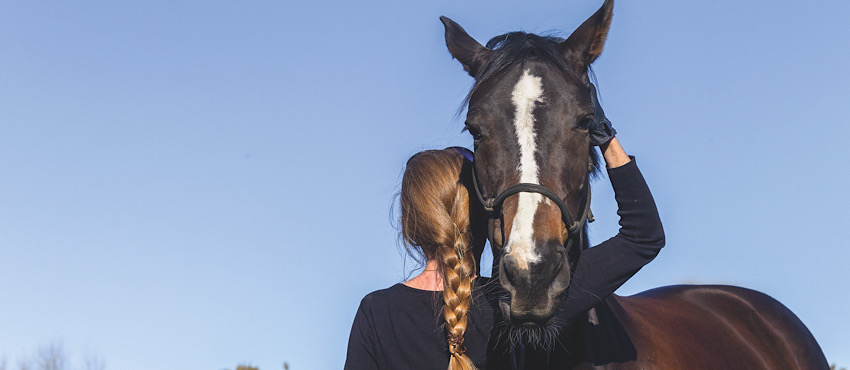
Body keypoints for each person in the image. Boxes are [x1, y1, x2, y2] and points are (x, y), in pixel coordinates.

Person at [344, 83, 665, 369]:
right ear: (485, 216)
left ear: (411, 227)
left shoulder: (376, 313)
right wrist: (605, 137)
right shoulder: (523, 295)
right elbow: (643, 236)